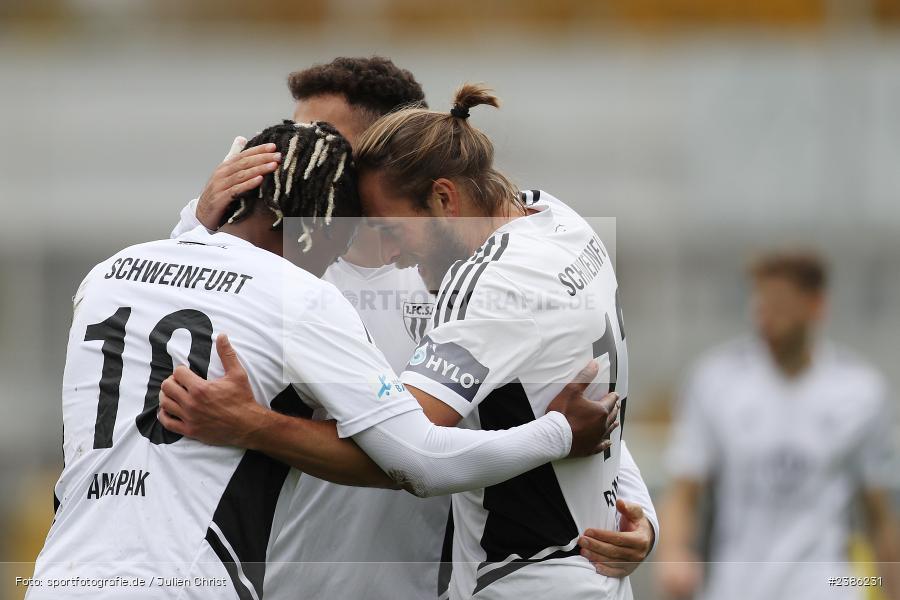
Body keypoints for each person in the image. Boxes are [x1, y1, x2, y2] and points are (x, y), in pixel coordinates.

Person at [30, 120, 618, 600]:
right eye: (341, 242)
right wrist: (560, 434)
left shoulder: (108, 274)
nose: (356, 261)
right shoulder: (299, 297)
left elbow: (192, 291)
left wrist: (197, 218)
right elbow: (422, 461)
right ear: (312, 230)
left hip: (60, 574)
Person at [172, 57, 659, 598]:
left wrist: (632, 507)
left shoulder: (458, 270)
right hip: (292, 584)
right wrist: (197, 224)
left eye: (328, 138)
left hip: (438, 583)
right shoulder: (279, 269)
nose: (306, 152)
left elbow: (540, 402)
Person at [657, 250, 899, 600]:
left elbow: (878, 516)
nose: (765, 315)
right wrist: (674, 555)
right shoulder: (716, 381)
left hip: (829, 588)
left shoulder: (862, 393)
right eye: (760, 302)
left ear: (816, 306)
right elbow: (684, 492)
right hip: (736, 589)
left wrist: (888, 590)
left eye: (780, 304)